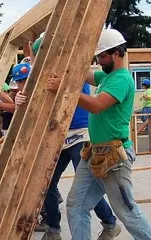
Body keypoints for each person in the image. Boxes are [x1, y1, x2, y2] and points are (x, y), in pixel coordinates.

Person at [43, 28, 151, 240]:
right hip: (96, 153)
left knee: (126, 212)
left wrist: (63, 88)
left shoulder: (121, 79)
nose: (99, 61)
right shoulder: (107, 76)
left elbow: (96, 105)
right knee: (76, 205)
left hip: (114, 156)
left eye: (102, 56)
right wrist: (66, 55)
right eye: (97, 56)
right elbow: (83, 72)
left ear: (117, 53)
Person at [15, 36, 120, 240]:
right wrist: (21, 98)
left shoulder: (71, 67)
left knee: (87, 185)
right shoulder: (41, 74)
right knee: (46, 184)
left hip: (78, 132)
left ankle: (110, 223)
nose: (37, 60)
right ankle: (53, 230)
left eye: (40, 55)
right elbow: (34, 99)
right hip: (56, 135)